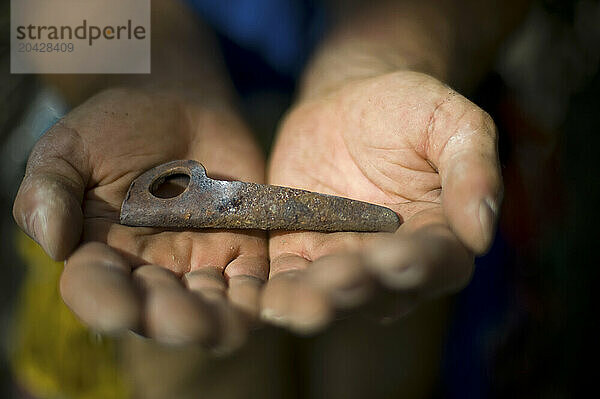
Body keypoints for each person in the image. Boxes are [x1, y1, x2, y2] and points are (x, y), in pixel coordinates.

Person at [12, 0, 529, 353]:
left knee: (383, 345)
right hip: (152, 64)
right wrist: (149, 69)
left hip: (395, 101)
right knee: (195, 361)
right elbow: (44, 17)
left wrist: (398, 46)